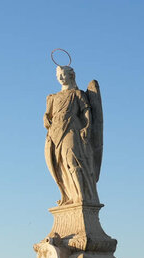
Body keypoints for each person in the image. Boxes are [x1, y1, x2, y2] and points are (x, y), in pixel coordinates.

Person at [44, 64, 102, 206]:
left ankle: (82, 196)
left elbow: (86, 112)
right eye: (58, 76)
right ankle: (68, 195)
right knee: (59, 164)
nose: (61, 78)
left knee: (72, 160)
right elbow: (48, 114)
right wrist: (46, 119)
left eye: (63, 74)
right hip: (55, 133)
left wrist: (87, 127)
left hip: (71, 129)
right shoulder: (52, 97)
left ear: (71, 75)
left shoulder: (78, 94)